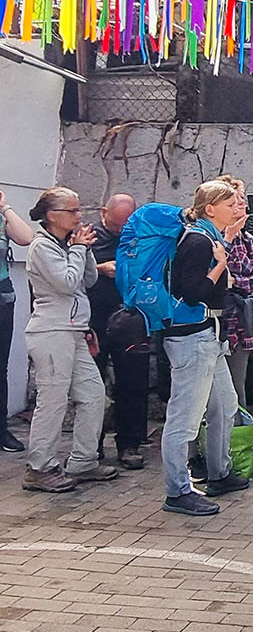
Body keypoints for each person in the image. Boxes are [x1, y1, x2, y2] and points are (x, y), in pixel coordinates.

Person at [159, 180, 250, 516]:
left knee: (225, 406)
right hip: (192, 338)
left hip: (208, 337)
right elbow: (194, 290)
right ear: (210, 208)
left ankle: (220, 473)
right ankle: (178, 491)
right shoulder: (198, 241)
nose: (236, 206)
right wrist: (221, 266)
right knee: (184, 418)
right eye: (229, 202)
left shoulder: (207, 237)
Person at [20, 188, 118, 492]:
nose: (79, 216)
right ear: (52, 216)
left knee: (93, 394)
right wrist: (77, 249)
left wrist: (84, 250)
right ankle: (40, 467)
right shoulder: (42, 247)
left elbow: (87, 280)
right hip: (51, 332)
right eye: (72, 211)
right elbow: (66, 283)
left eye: (79, 210)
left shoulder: (67, 245)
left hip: (73, 330)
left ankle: (83, 461)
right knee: (52, 401)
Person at [86, 194, 146, 470]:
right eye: (118, 223)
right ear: (103, 212)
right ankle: (91, 444)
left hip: (129, 317)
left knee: (132, 382)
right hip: (94, 318)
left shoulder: (138, 237)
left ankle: (130, 444)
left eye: (127, 223)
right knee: (91, 385)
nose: (122, 229)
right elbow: (71, 273)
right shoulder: (88, 236)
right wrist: (100, 269)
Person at [217, 177, 253, 408]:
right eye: (236, 202)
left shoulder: (247, 240)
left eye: (242, 200)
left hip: (240, 324)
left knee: (237, 388)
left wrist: (235, 281)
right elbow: (212, 279)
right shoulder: (210, 238)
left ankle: (236, 441)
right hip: (216, 323)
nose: (243, 206)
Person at [0, 189, 35, 453]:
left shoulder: (2, 218)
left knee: (1, 367)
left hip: (2, 297)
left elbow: (26, 238)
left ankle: (1, 431)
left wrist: (5, 207)